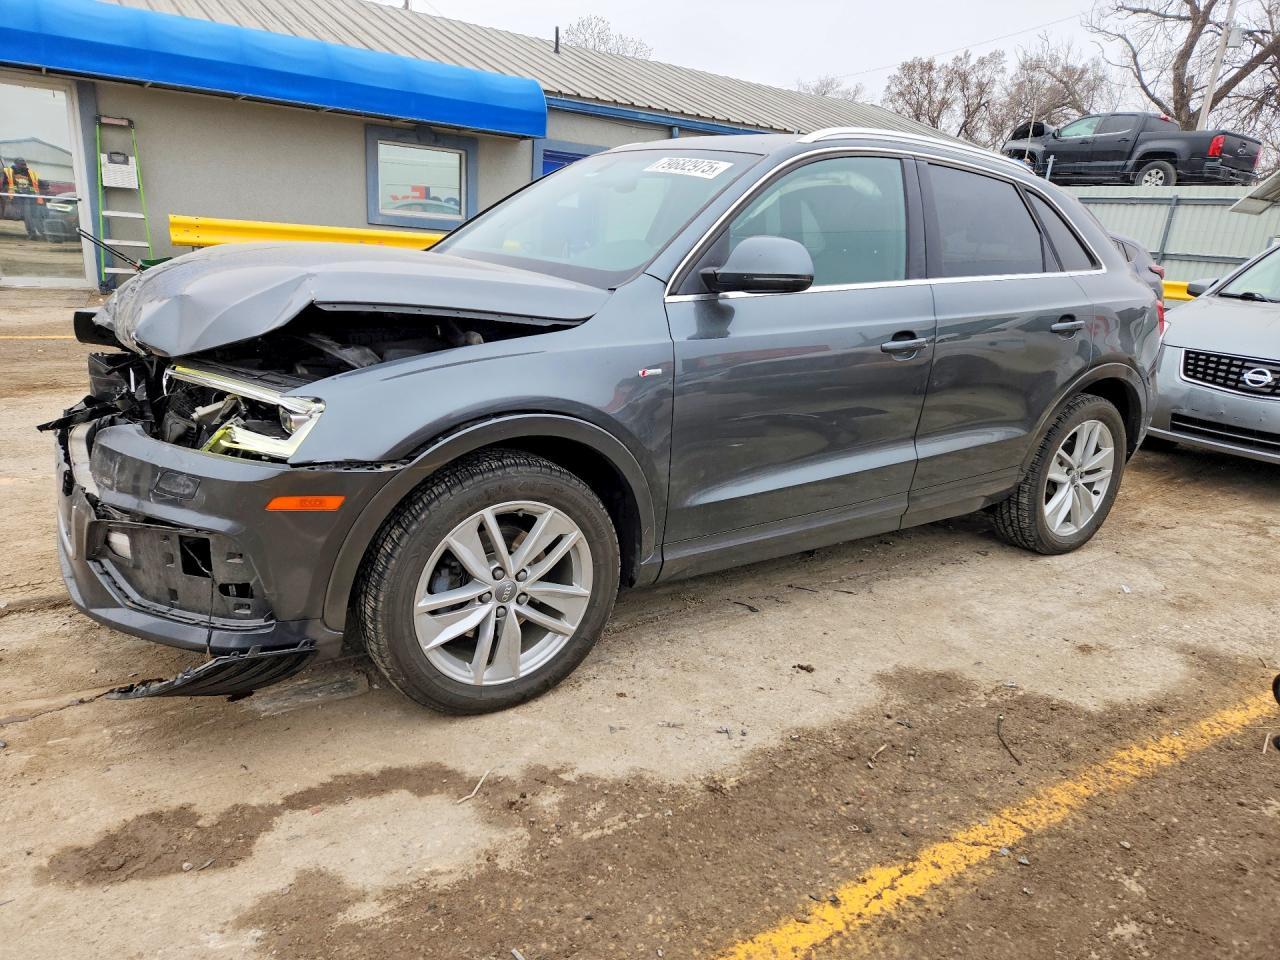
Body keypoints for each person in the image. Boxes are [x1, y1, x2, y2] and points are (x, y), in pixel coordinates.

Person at [2, 157, 47, 240]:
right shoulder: (9, 172)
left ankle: (43, 233)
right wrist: (8, 197)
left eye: (24, 162)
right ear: (16, 164)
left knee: (36, 215)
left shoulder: (30, 173)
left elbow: (38, 182)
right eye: (21, 162)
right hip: (18, 198)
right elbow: (5, 185)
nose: (24, 164)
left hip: (31, 197)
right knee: (28, 215)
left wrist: (45, 184)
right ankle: (32, 233)